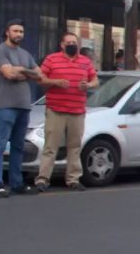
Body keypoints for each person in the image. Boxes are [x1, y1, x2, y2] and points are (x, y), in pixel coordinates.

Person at [35, 32, 99, 192]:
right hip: (56, 110)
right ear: (62, 45)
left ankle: (73, 179)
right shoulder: (51, 59)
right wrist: (55, 82)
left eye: (74, 42)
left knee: (75, 146)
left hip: (77, 110)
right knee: (50, 146)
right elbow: (40, 79)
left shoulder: (85, 61)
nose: (72, 45)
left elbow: (95, 80)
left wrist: (88, 86)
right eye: (68, 42)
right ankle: (42, 180)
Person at [0, 19, 42, 197]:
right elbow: (9, 73)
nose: (19, 34)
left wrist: (22, 71)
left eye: (21, 31)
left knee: (19, 146)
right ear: (7, 32)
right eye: (15, 31)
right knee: (0, 145)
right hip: (5, 105)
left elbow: (39, 74)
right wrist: (26, 72)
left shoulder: (26, 54)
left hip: (24, 105)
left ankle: (16, 182)